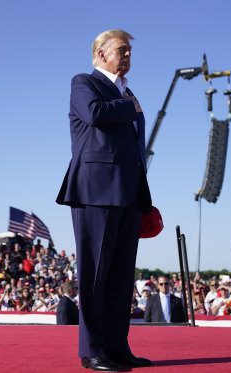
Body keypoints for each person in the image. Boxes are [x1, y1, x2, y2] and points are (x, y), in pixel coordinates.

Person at [56, 29, 153, 371]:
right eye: (122, 51)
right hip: (95, 191)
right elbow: (95, 113)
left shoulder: (128, 94)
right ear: (101, 54)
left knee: (121, 278)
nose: (128, 57)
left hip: (128, 193)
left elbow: (137, 148)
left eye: (130, 52)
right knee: (95, 275)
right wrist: (130, 106)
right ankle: (92, 351)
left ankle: (117, 348)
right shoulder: (84, 82)